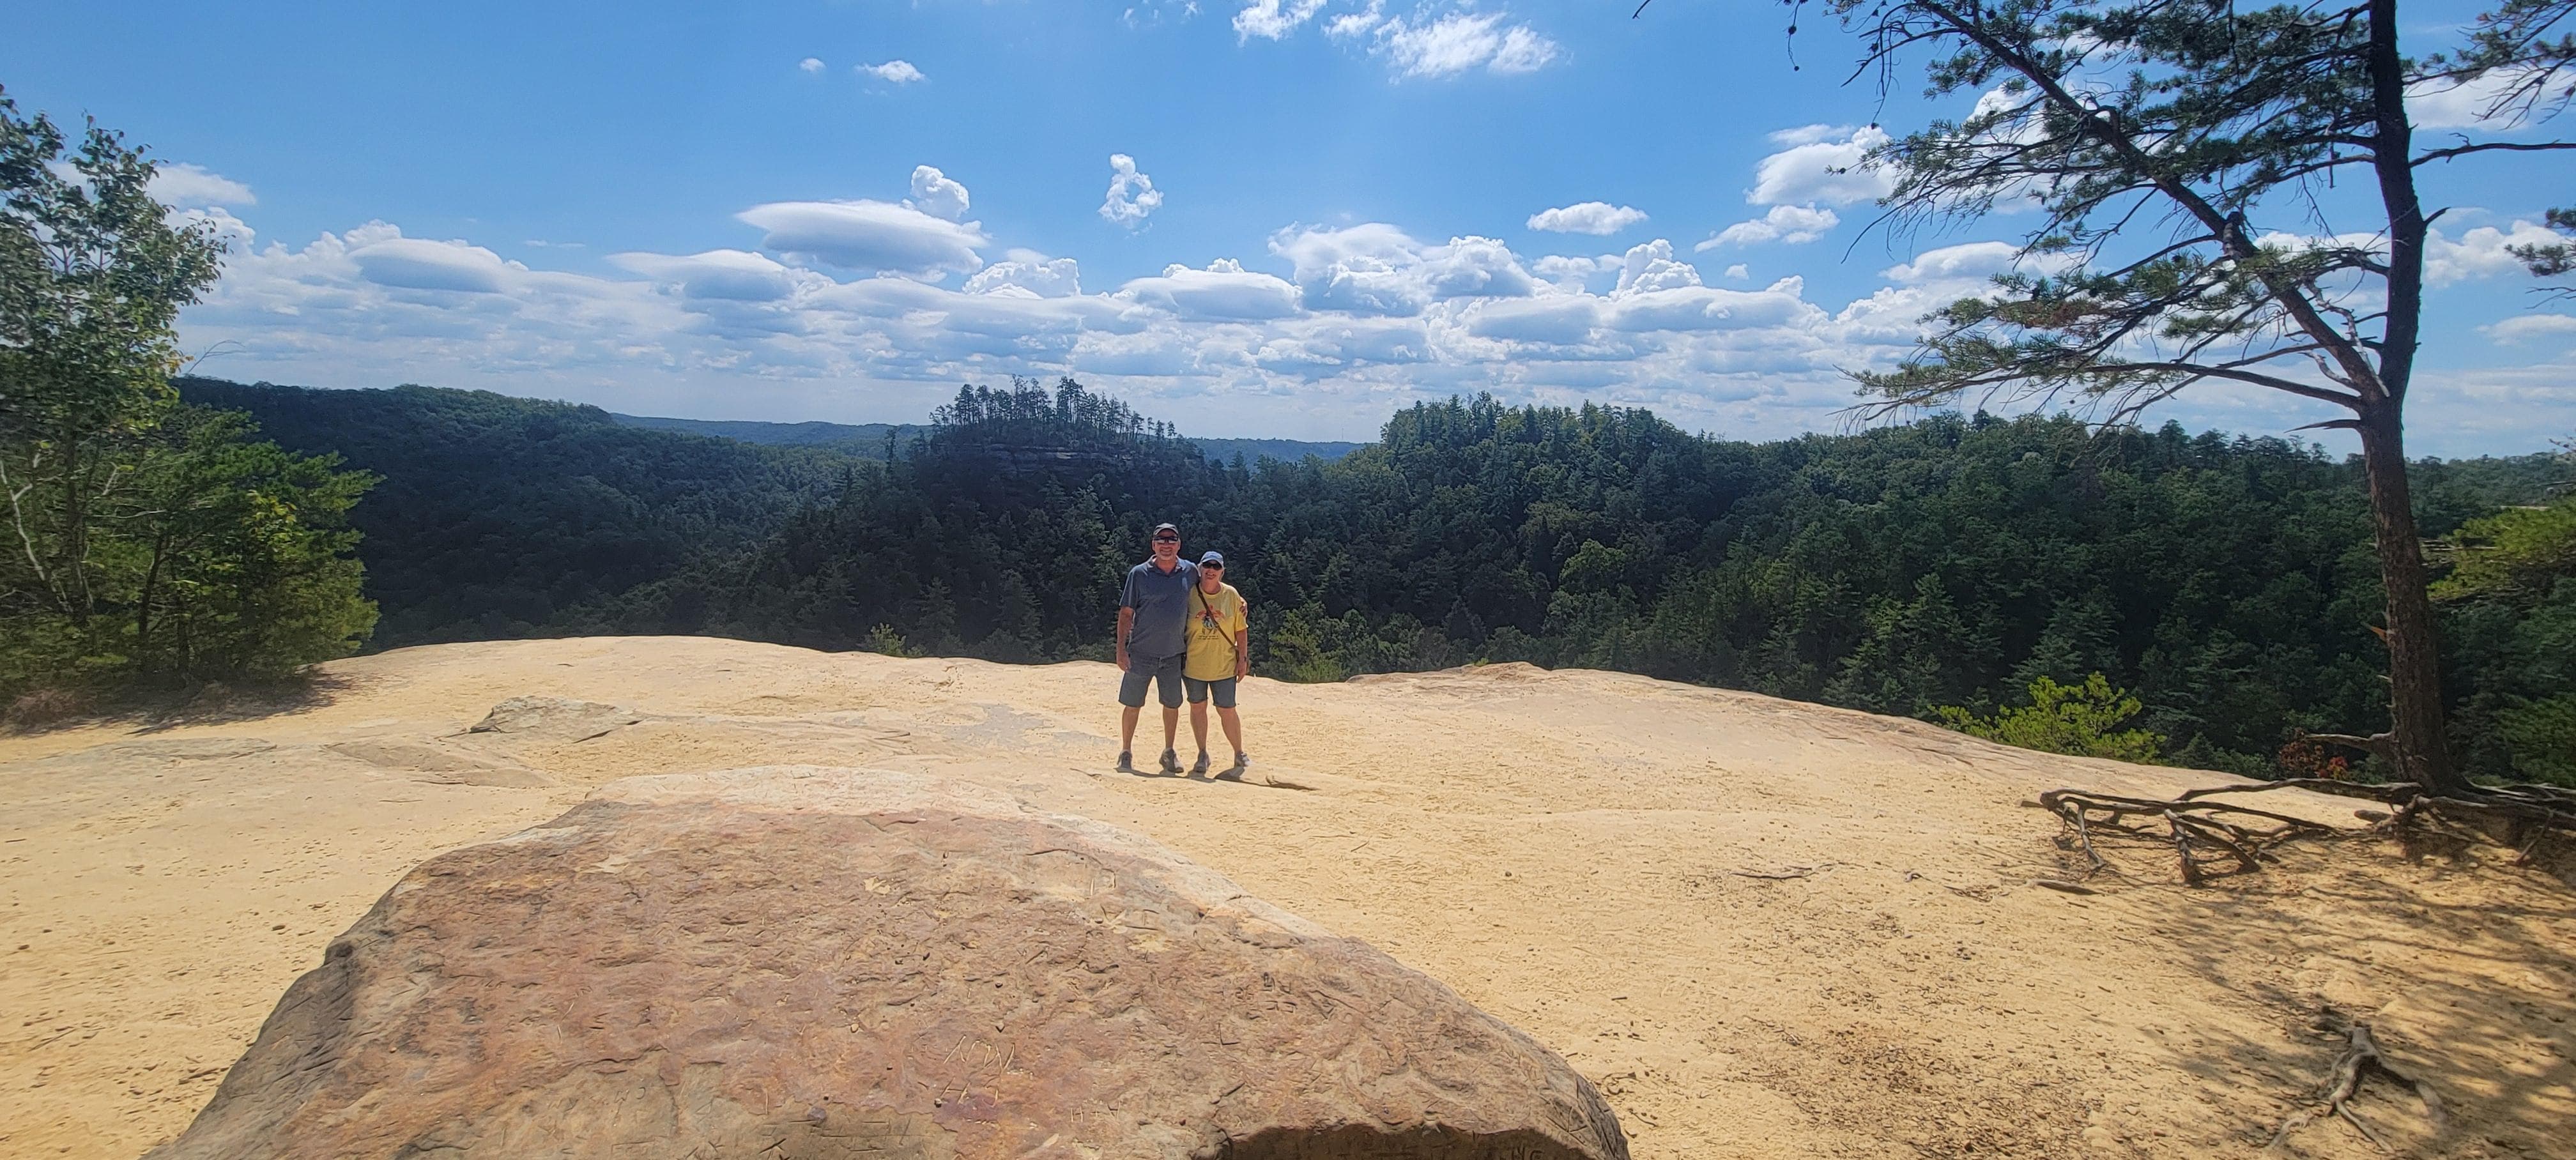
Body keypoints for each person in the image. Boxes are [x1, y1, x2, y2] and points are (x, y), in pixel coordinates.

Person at [1115, 523, 1197, 774]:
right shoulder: (1139, 574)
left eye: (1171, 539)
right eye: (1161, 540)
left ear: (1179, 544)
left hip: (1173, 653)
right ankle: (1126, 751)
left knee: (1172, 705)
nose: (1166, 544)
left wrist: (1239, 601)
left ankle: (1168, 752)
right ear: (1153, 545)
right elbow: (1126, 613)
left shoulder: (1190, 571)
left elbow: (1213, 587)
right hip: (1141, 651)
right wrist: (1121, 649)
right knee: (1132, 704)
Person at [1182, 549, 1250, 779]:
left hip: (1224, 664)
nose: (1211, 571)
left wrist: (1243, 659)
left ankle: (1239, 752)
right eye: (1207, 566)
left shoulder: (1231, 595)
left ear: (1222, 571)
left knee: (1227, 710)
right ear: (1199, 569)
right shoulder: (1189, 593)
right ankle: (1202, 753)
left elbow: (1241, 630)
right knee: (1198, 708)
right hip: (1194, 663)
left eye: (1216, 567)